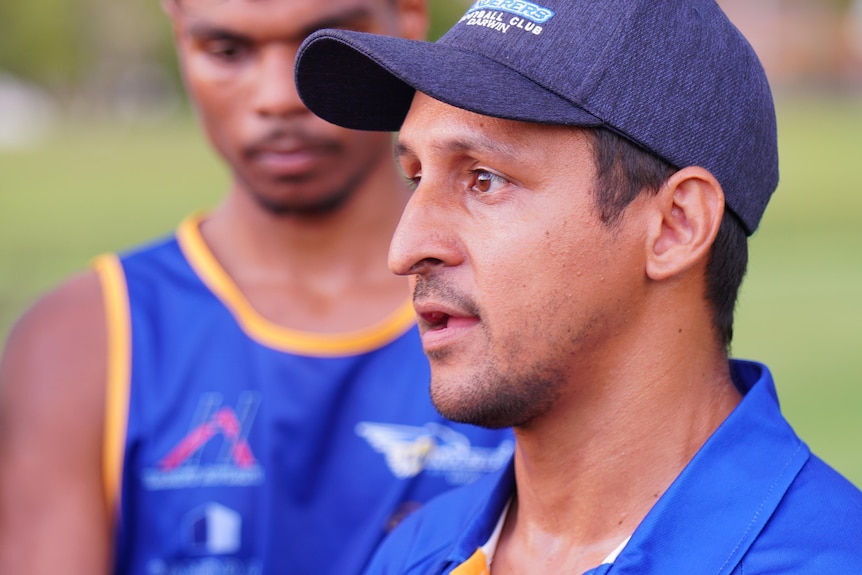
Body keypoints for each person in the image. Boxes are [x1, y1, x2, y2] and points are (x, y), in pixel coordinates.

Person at [293, 0, 862, 573]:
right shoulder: (416, 551)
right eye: (415, 177)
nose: (405, 249)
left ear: (675, 226)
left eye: (484, 181)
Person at [0, 1, 515, 574]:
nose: (277, 96)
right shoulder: (84, 336)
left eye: (321, 42)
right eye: (227, 50)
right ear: (179, 35)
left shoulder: (535, 312)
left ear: (410, 21)